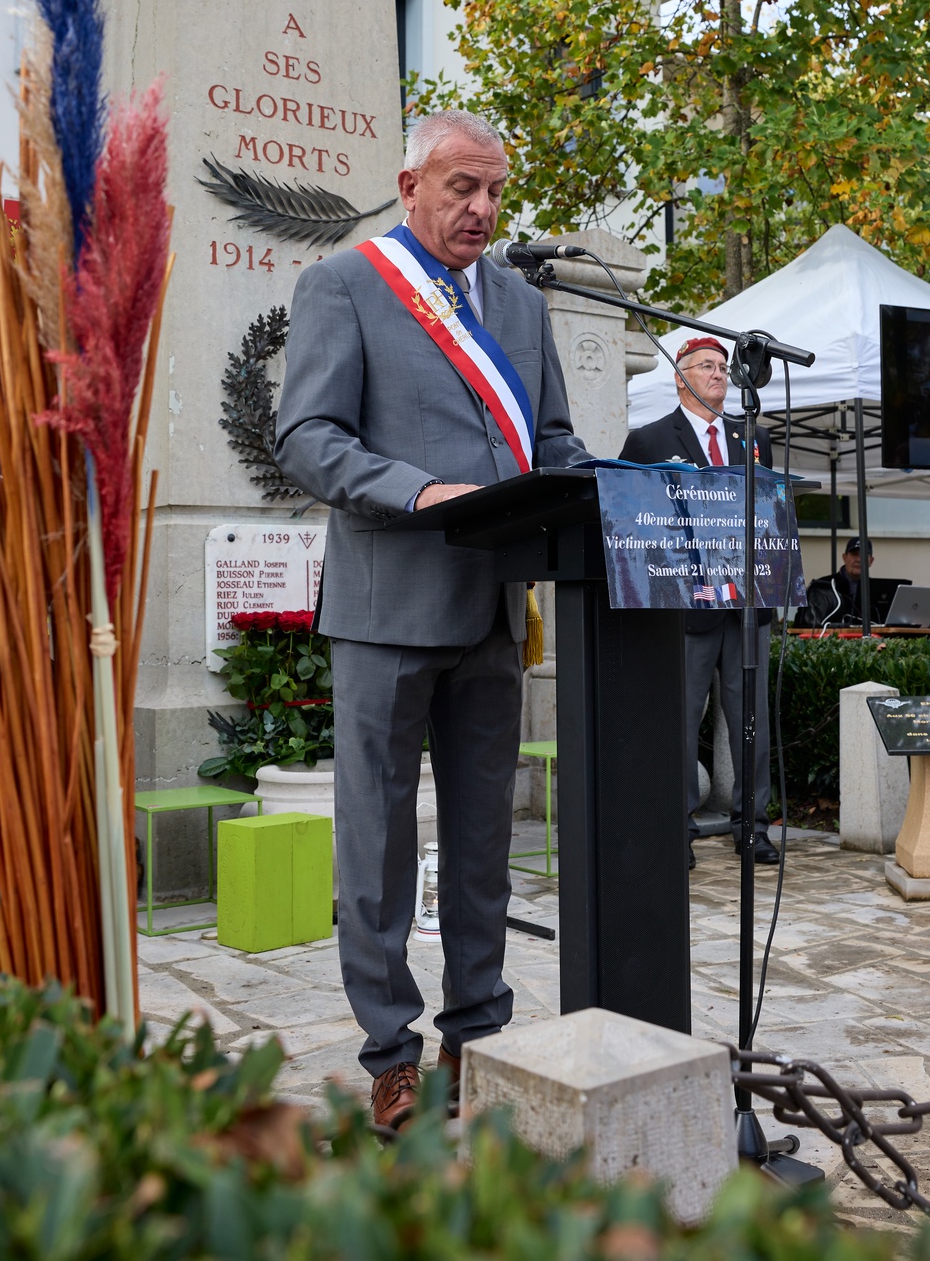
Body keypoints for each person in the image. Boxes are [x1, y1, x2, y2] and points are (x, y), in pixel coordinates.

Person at [274, 110, 587, 1130]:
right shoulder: (347, 286)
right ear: (409, 186)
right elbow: (308, 438)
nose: (483, 210)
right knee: (376, 848)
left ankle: (479, 1030)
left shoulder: (520, 305)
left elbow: (553, 440)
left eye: (495, 191)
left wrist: (600, 491)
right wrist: (418, 492)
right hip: (385, 609)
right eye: (461, 188)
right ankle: (390, 1053)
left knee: (484, 842)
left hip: (495, 610)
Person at [619, 337, 779, 868]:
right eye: (706, 366)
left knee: (750, 720)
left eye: (722, 366)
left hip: (745, 605)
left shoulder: (752, 437)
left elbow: (769, 515)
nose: (718, 374)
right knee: (679, 723)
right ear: (680, 377)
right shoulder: (647, 440)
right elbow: (629, 521)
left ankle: (752, 826)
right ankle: (676, 826)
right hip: (683, 610)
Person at [795, 537, 874, 628]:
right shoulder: (821, 586)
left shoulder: (877, 589)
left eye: (863, 555)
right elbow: (801, 624)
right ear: (844, 557)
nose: (859, 559)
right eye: (854, 554)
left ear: (871, 561)